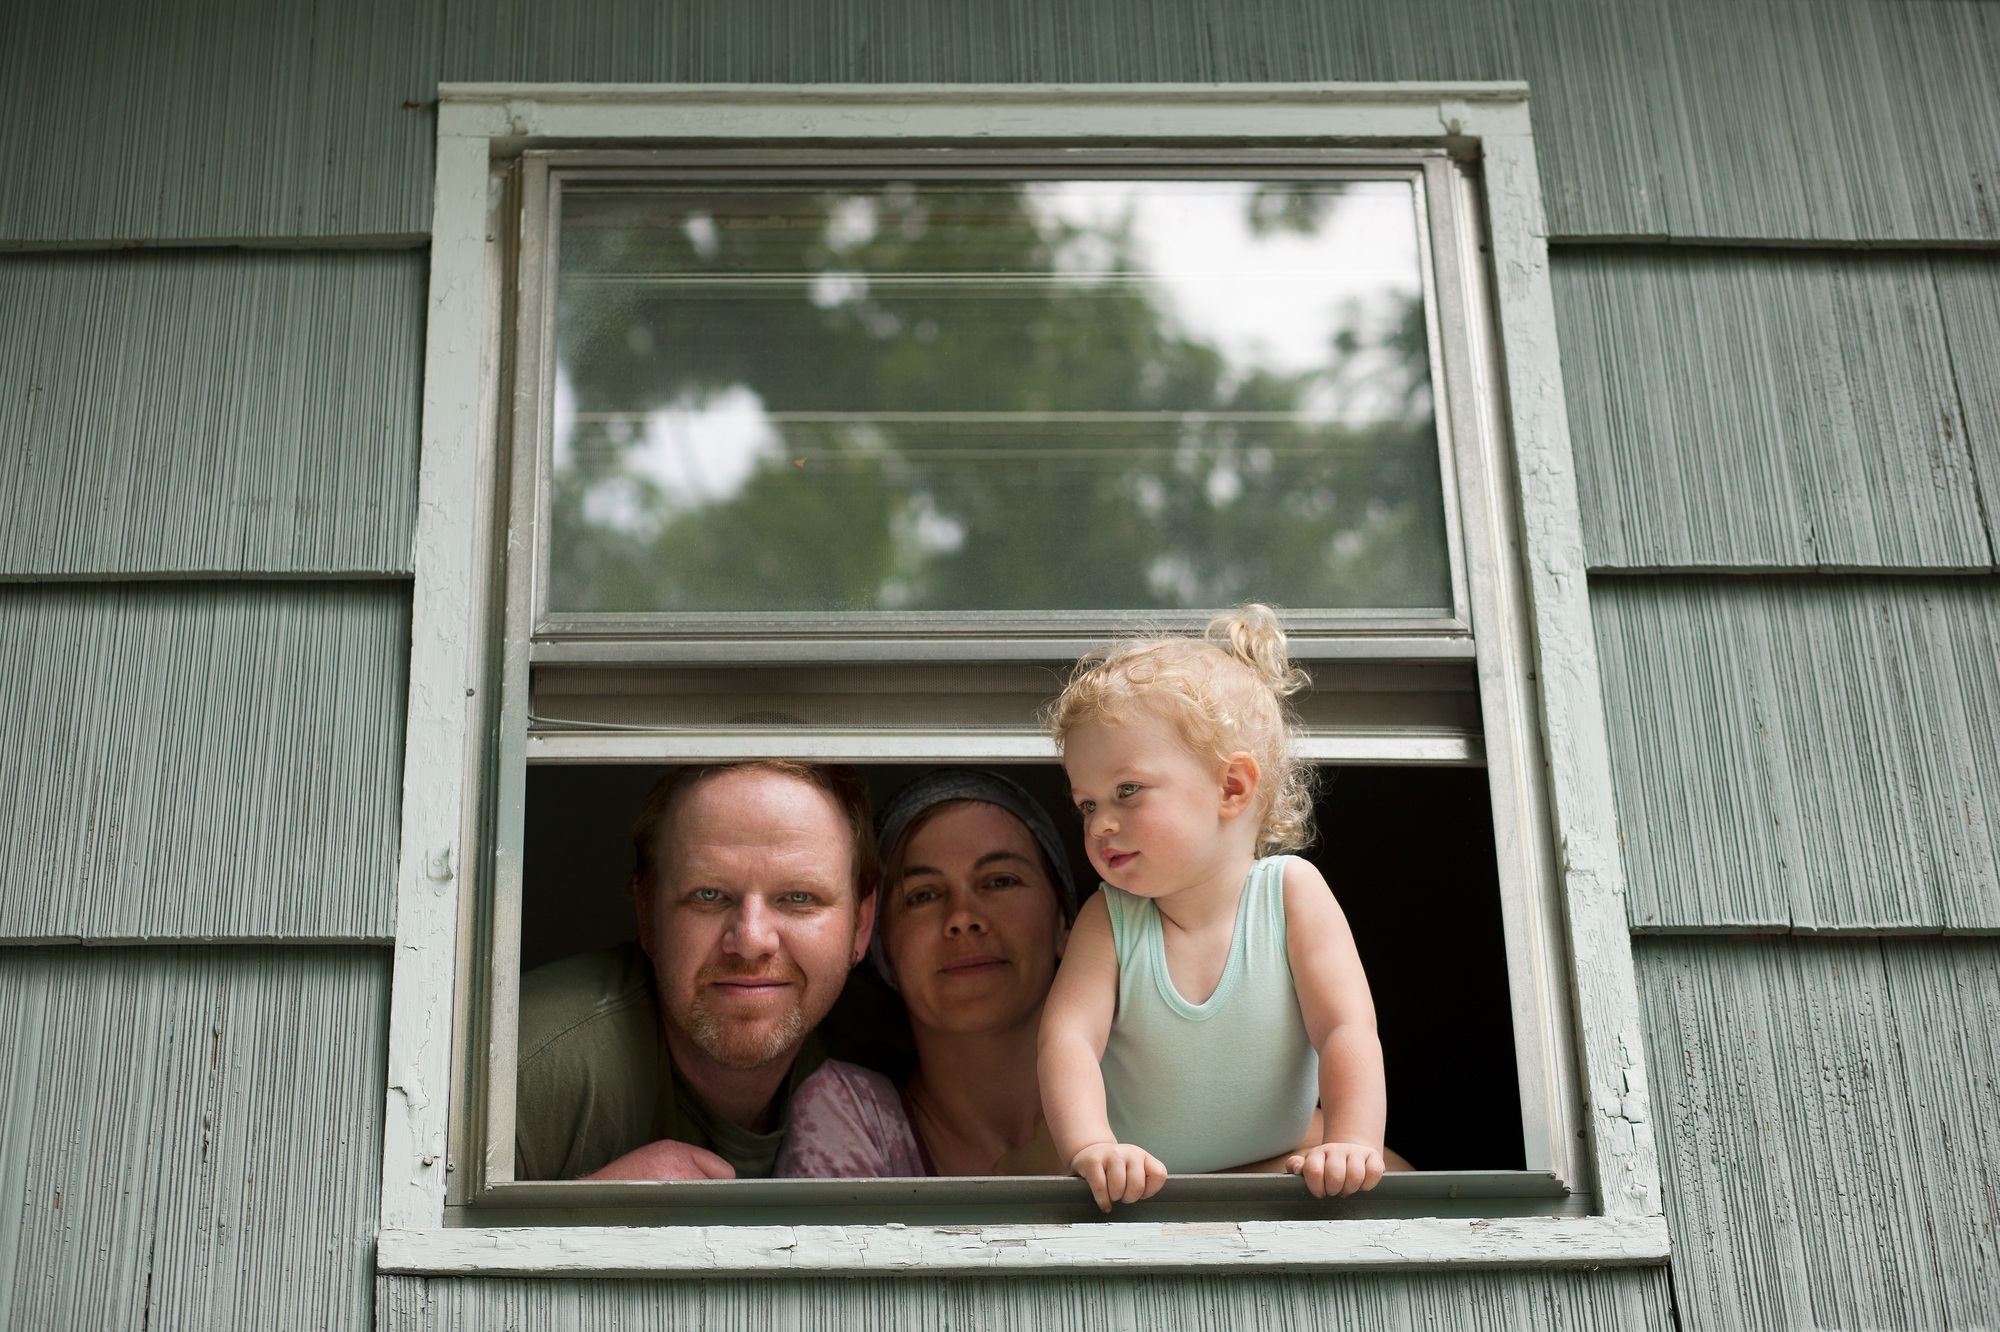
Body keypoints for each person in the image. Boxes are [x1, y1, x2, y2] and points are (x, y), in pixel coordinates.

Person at [1038, 604, 1390, 1212]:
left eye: (1127, 790)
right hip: (1138, 1184)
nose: (1102, 823)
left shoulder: (1291, 894)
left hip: (1276, 1168)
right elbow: (1067, 1039)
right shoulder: (1111, 917)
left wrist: (1351, 1141)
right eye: (1087, 804)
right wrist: (1093, 1146)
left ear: (1232, 787)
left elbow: (1345, 1028)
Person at [514, 760, 885, 1181]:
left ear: (861, 922)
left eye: (798, 897)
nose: (749, 941)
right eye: (708, 895)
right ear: (647, 915)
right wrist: (573, 1227)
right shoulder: (527, 1072)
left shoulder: (892, 1059)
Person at [775, 770, 1076, 1177]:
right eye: (924, 895)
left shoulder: (1146, 1091)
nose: (963, 917)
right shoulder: (851, 1113)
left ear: (1064, 921)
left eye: (1000, 881)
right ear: (882, 948)